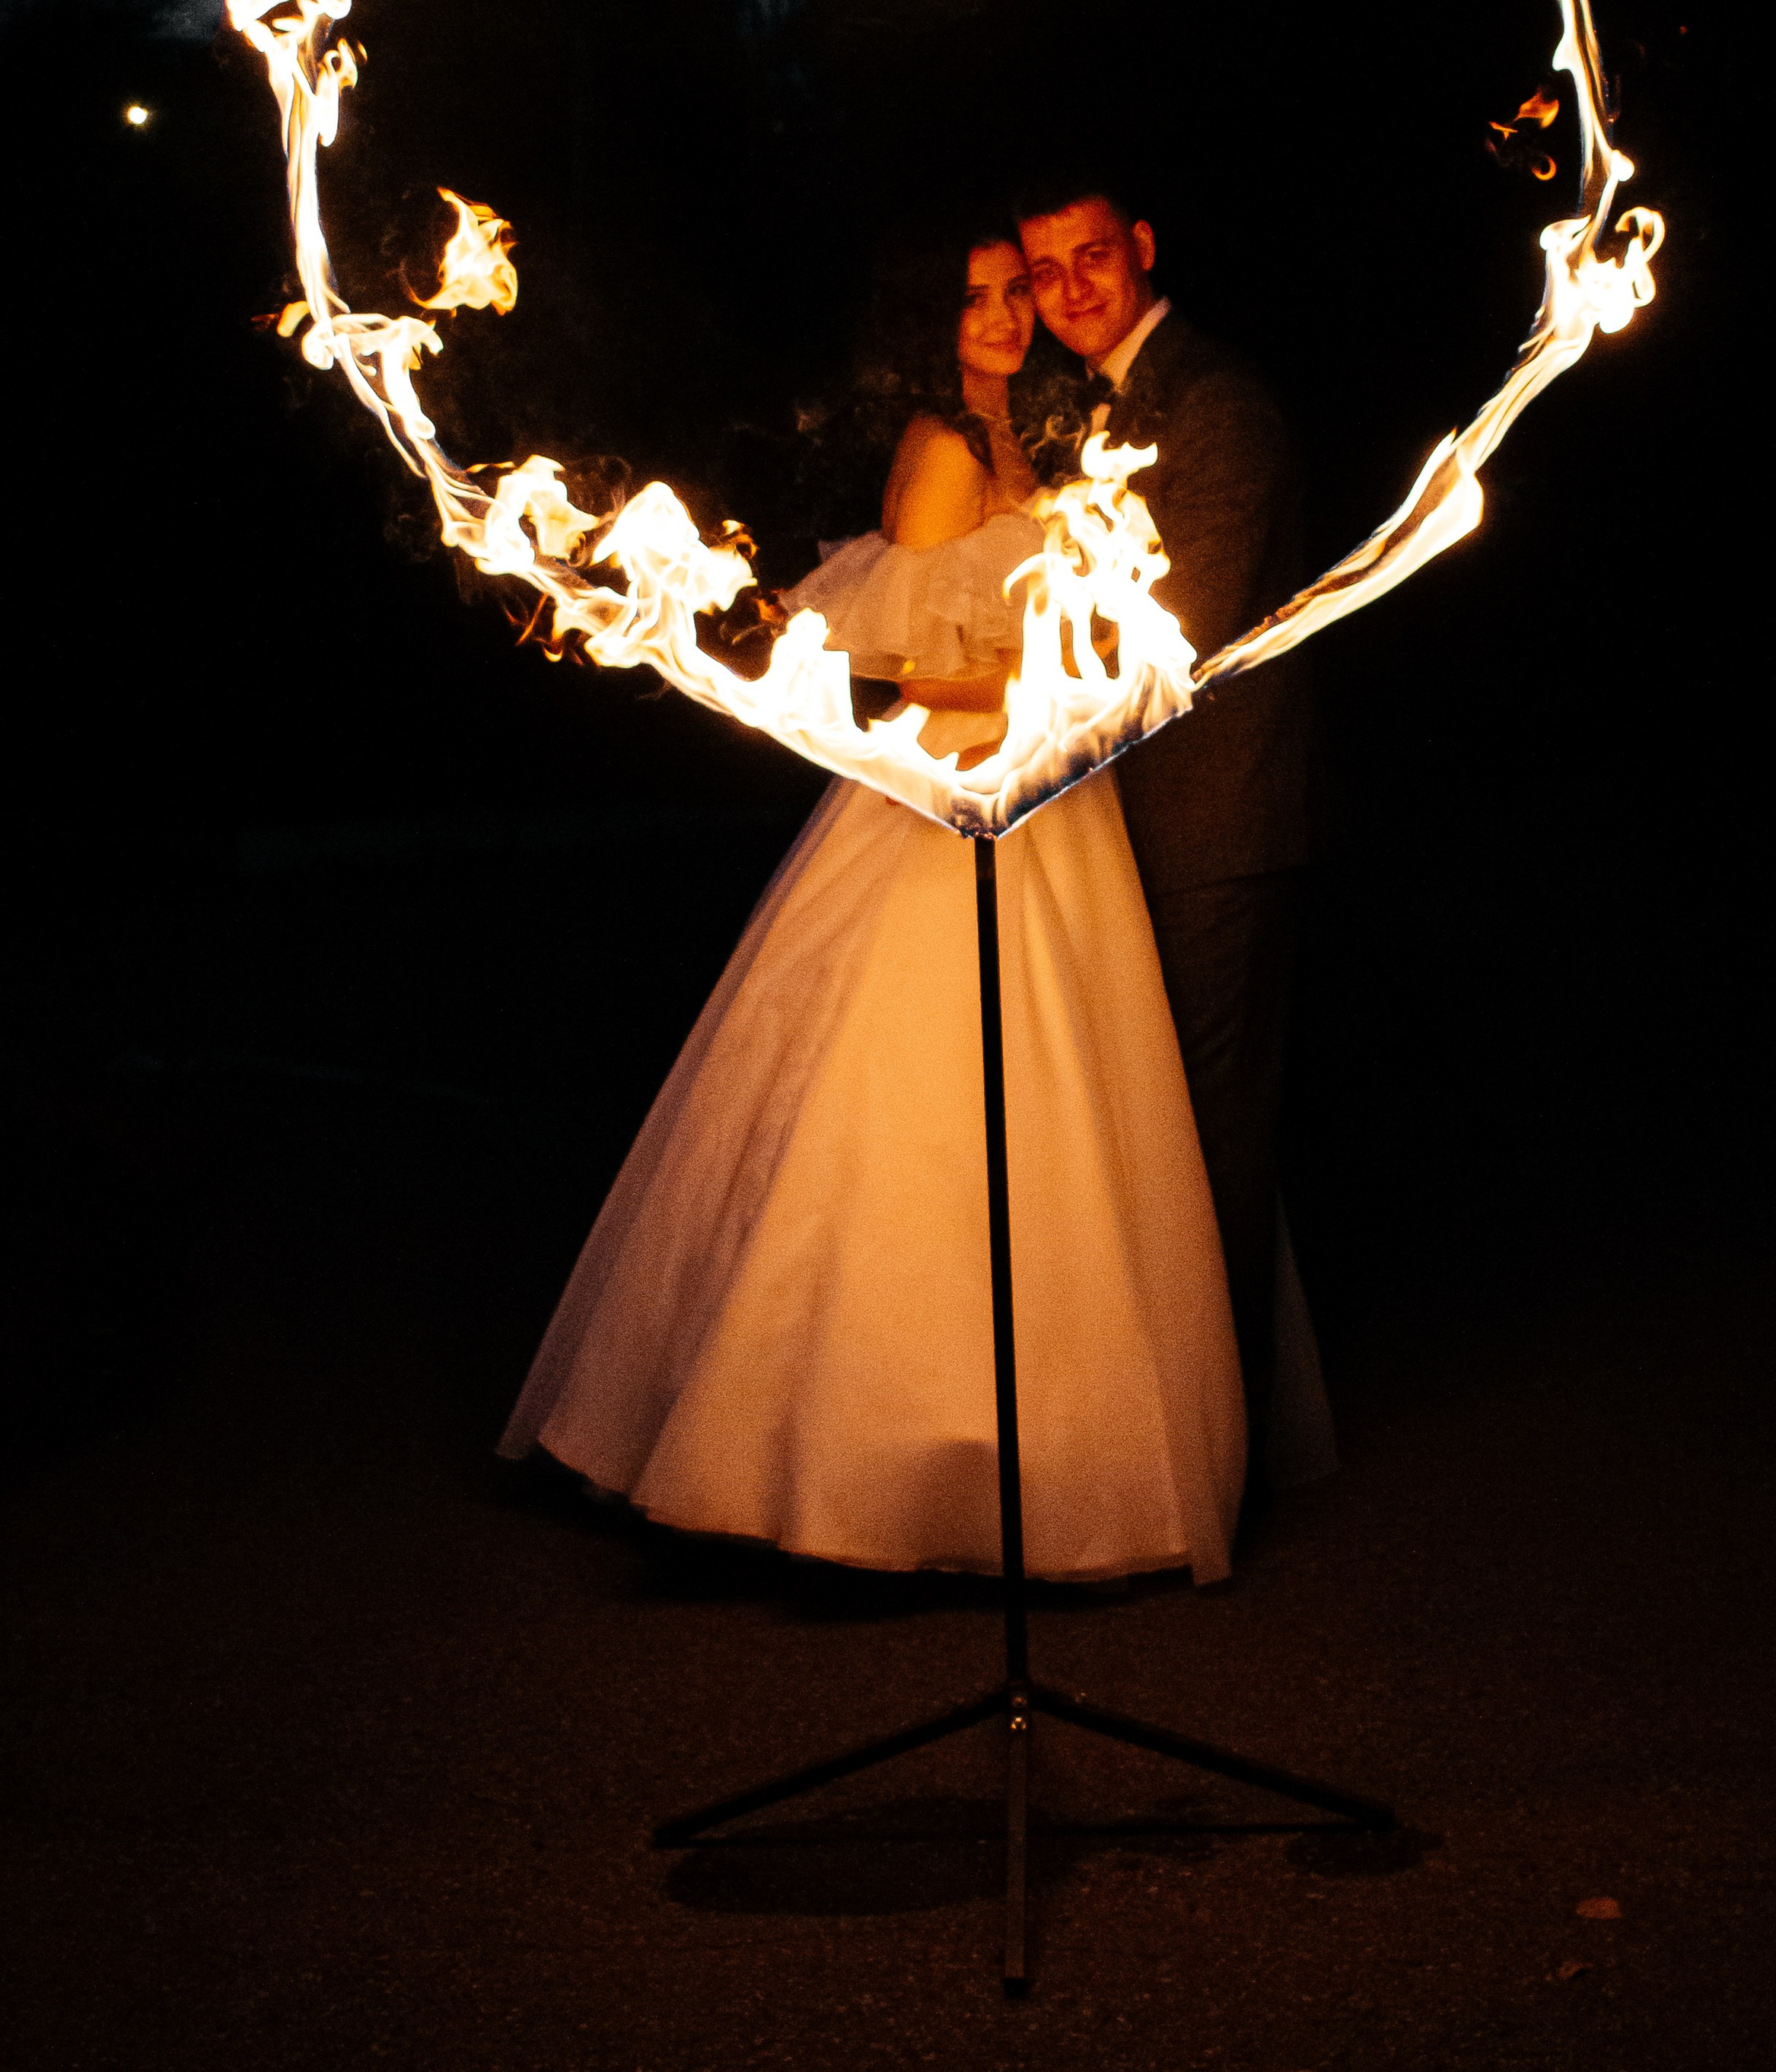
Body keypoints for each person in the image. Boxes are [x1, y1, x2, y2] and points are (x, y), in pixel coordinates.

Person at [498, 218, 1275, 1584]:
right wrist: (1066, 675)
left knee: (1069, 1115)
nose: (1008, 314)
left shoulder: (1020, 440)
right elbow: (914, 672)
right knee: (920, 1110)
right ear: (928, 320)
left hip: (1050, 800)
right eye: (976, 298)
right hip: (962, 792)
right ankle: (849, 1470)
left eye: (1015, 291)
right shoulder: (946, 448)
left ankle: (1060, 1458)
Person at [1015, 176, 1310, 1469]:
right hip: (1118, 825)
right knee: (1148, 1135)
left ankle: (1221, 1455)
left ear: (1140, 246)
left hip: (1214, 822)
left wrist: (999, 664)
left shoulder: (1217, 402)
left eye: (1091, 257)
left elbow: (1181, 628)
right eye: (1046, 272)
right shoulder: (1076, 408)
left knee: (1212, 1139)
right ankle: (1160, 1435)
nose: (1071, 290)